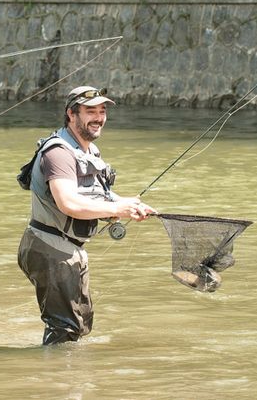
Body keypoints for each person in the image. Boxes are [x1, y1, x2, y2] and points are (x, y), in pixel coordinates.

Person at [17, 85, 156, 345]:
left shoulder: (88, 151)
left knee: (79, 324)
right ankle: (58, 382)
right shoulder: (58, 153)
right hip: (50, 248)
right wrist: (117, 209)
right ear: (71, 114)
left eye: (102, 111)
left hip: (67, 250)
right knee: (65, 330)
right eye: (90, 111)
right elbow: (69, 203)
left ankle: (66, 377)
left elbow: (94, 194)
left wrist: (127, 203)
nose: (99, 118)